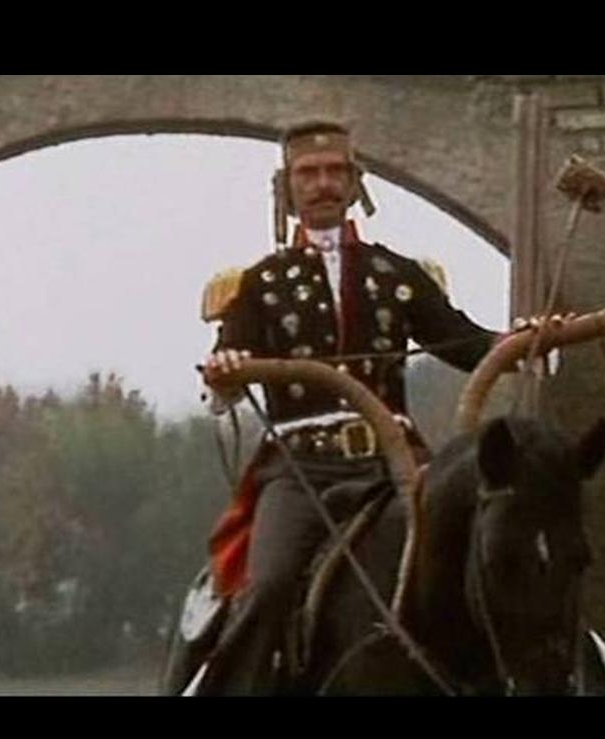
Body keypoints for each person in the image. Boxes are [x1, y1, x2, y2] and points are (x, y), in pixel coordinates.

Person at [194, 121, 502, 695]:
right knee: (269, 585)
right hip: (301, 471)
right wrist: (228, 370)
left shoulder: (397, 275)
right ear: (288, 188)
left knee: (491, 553)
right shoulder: (261, 284)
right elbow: (228, 367)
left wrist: (530, 339)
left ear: (355, 182)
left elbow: (466, 343)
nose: (323, 184)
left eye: (336, 171)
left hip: (396, 466)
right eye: (308, 173)